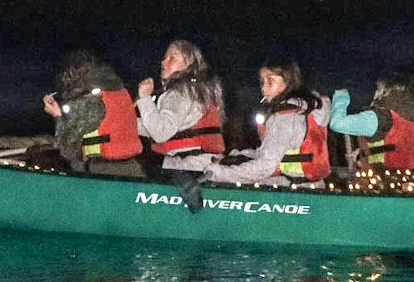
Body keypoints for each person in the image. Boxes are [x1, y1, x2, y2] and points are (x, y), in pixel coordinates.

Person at [202, 60, 331, 185]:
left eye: (270, 81)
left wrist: (219, 173)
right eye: (262, 82)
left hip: (290, 189)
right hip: (314, 186)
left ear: (288, 82)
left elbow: (265, 166)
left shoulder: (284, 117)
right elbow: (279, 153)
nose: (264, 88)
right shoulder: (307, 108)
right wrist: (238, 158)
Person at [41, 50, 144, 178]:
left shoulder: (89, 102)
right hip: (132, 168)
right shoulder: (120, 93)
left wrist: (57, 116)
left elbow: (66, 148)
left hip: (102, 172)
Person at [136, 39, 226, 172]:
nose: (163, 62)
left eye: (172, 58)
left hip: (188, 169)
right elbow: (158, 126)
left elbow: (160, 132)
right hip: (205, 165)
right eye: (164, 58)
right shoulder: (198, 90)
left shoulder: (180, 92)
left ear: (189, 63)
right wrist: (125, 122)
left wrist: (144, 98)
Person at [328, 73, 414, 171]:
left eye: (377, 89)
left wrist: (340, 95)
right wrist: (362, 152)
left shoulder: (379, 117)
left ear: (382, 91)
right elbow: (394, 146)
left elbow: (337, 124)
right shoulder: (407, 116)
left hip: (385, 181)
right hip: (409, 178)